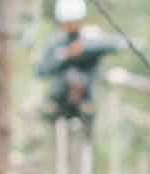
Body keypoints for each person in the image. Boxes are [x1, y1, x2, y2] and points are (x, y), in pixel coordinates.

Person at [36, 0, 124, 129]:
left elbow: (116, 44)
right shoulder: (56, 42)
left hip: (86, 100)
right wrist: (64, 56)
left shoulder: (91, 37)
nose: (71, 26)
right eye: (67, 23)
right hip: (60, 101)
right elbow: (41, 71)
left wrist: (87, 48)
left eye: (74, 22)